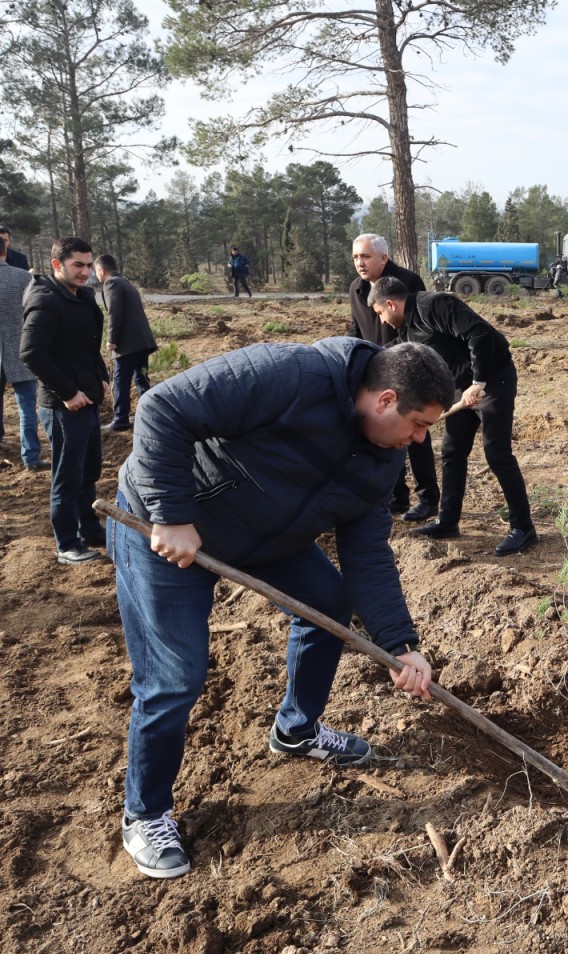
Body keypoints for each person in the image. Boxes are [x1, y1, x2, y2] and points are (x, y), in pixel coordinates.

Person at [107, 336, 455, 879]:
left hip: (268, 540)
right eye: (419, 424)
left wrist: (401, 646)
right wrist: (171, 513)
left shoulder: (383, 459)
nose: (419, 439)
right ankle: (145, 813)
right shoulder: (294, 374)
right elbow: (162, 407)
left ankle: (297, 728)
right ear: (385, 399)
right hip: (164, 527)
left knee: (328, 604)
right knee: (175, 677)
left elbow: (366, 553)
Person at [367, 278, 537, 556]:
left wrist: (479, 382)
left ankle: (523, 527)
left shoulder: (435, 305)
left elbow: (479, 334)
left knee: (497, 453)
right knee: (452, 451)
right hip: (461, 387)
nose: (382, 321)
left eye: (379, 313)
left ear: (390, 303)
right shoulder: (407, 328)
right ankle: (447, 521)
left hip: (493, 379)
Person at [19, 237, 109, 565]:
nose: (86, 272)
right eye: (78, 265)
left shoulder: (81, 296)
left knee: (88, 472)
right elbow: (31, 354)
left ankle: (89, 529)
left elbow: (87, 346)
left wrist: (101, 373)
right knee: (67, 476)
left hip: (87, 399)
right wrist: (68, 393)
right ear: (57, 265)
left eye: (88, 265)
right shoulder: (45, 300)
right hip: (63, 406)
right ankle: (67, 544)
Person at [349, 233, 438, 521]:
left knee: (416, 434)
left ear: (383, 258)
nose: (360, 263)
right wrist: (353, 355)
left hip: (407, 369)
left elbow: (416, 328)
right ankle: (396, 495)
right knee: (385, 433)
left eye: (365, 257)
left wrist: (383, 354)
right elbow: (355, 327)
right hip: (376, 371)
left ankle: (428, 498)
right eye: (355, 257)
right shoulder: (355, 289)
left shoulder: (408, 281)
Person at [94, 255, 157, 432]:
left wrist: (111, 339)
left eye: (95, 272)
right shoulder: (125, 282)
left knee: (121, 380)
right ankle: (151, 414)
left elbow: (114, 312)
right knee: (141, 378)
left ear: (101, 270)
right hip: (142, 342)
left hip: (127, 345)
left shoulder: (111, 283)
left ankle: (121, 418)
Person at [0, 237, 42, 469]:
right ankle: (31, 458)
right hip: (20, 348)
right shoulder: (23, 277)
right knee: (27, 407)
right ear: (5, 251)